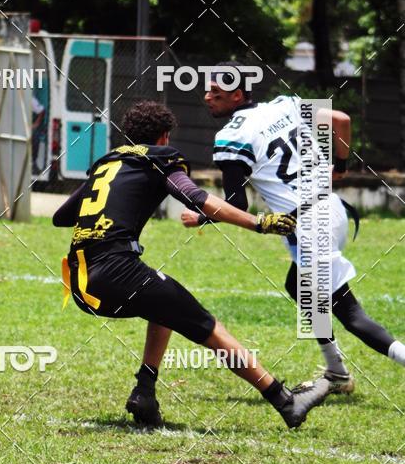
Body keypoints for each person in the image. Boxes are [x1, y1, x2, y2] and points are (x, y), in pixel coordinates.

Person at [52, 99, 330, 429]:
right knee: (210, 328)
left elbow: (61, 217)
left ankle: (145, 392)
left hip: (80, 282)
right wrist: (259, 223)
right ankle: (285, 402)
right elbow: (196, 198)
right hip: (117, 272)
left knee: (164, 302)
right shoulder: (159, 159)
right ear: (164, 136)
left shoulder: (108, 163)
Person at [181, 70, 405, 393]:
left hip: (309, 227)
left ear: (238, 95)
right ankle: (337, 372)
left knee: (351, 313)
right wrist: (339, 167)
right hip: (333, 209)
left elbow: (236, 204)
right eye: (208, 90)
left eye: (216, 92)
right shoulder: (285, 105)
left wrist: (201, 217)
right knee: (297, 284)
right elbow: (341, 120)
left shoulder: (232, 136)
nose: (207, 97)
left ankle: (348, 371)